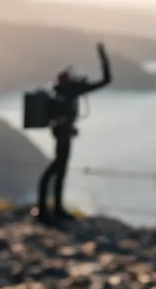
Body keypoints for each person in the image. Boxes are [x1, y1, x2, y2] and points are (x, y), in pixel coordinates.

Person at [34, 43, 110, 225]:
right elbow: (106, 80)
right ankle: (49, 210)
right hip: (64, 135)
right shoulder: (71, 91)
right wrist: (103, 59)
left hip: (62, 133)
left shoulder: (59, 91)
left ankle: (51, 208)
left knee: (59, 170)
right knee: (57, 170)